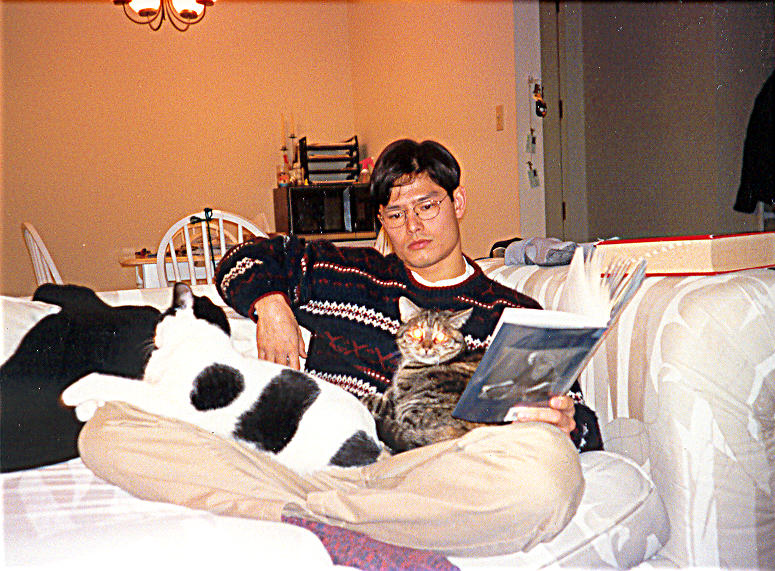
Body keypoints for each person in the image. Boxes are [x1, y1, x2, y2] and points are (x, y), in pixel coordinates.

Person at [78, 139, 585, 556]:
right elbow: (242, 257)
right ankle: (355, 524)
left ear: (458, 203)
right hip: (301, 460)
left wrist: (565, 421)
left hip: (425, 472)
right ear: (382, 221)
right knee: (108, 431)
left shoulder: (511, 312)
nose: (412, 226)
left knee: (546, 475)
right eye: (395, 214)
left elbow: (581, 425)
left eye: (427, 206)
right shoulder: (346, 273)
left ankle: (309, 518)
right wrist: (271, 305)